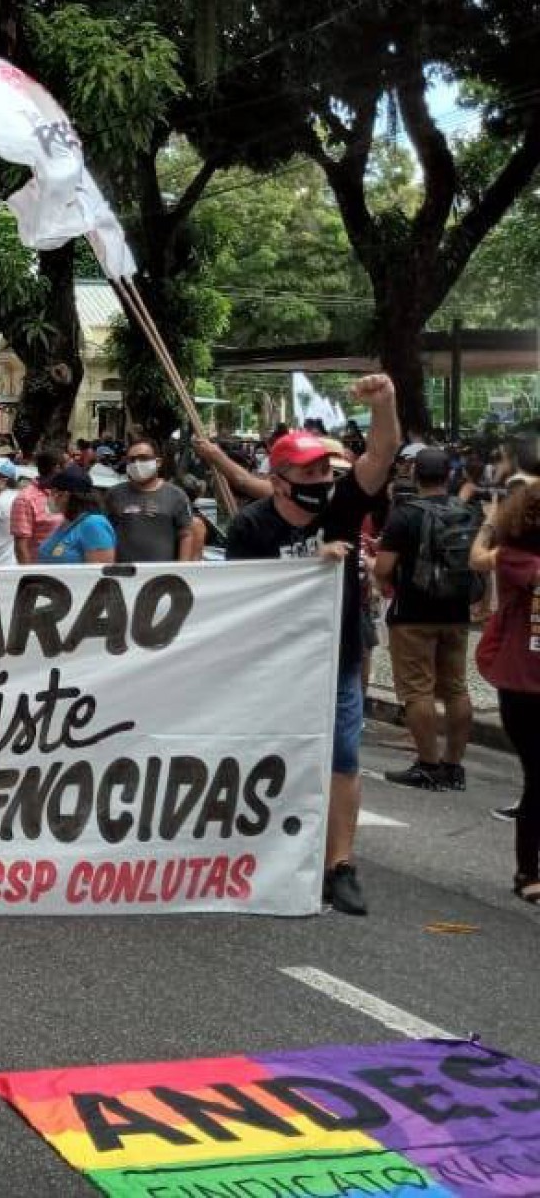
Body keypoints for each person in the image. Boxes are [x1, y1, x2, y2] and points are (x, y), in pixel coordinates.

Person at [223, 374, 400, 917]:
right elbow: (241, 601)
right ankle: (263, 851)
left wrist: (386, 404)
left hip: (338, 660)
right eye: (309, 470)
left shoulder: (341, 507)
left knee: (343, 760)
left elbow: (383, 451)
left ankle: (340, 864)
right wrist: (308, 566)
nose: (322, 477)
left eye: (326, 468)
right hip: (275, 668)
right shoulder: (250, 528)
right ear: (278, 480)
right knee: (270, 756)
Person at [374, 446, 479, 792]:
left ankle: (428, 764)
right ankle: (454, 765)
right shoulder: (465, 511)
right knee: (456, 688)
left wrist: (386, 586)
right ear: (448, 475)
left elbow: (384, 569)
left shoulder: (403, 516)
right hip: (456, 612)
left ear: (415, 475)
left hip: (413, 615)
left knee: (417, 690)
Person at [468, 482, 540, 903]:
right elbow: (479, 559)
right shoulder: (517, 560)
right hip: (524, 686)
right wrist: (490, 524)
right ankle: (527, 871)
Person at [105, 436, 200, 563]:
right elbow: (105, 534)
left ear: (158, 462)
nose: (137, 464)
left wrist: (181, 569)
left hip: (161, 577)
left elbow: (186, 535)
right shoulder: (114, 494)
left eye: (143, 458)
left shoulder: (177, 496)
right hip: (123, 574)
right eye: (132, 460)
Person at [37, 468, 117, 564]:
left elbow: (99, 573)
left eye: (53, 492)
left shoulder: (94, 524)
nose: (49, 497)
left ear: (65, 496)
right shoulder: (67, 522)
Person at [12, 448, 66, 564]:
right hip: (40, 572)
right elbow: (21, 547)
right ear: (57, 468)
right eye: (65, 467)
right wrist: (30, 576)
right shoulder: (26, 499)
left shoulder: (65, 494)